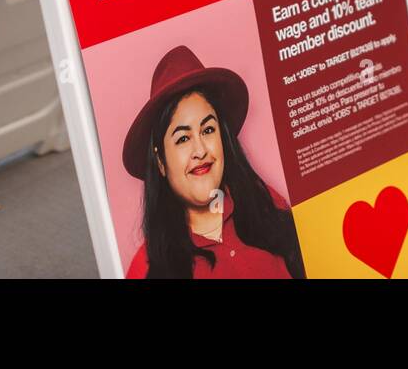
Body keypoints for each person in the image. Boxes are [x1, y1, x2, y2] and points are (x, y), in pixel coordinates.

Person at [122, 45, 304, 279]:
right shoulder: (148, 268)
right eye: (183, 138)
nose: (200, 150)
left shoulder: (267, 207)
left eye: (208, 130)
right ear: (160, 161)